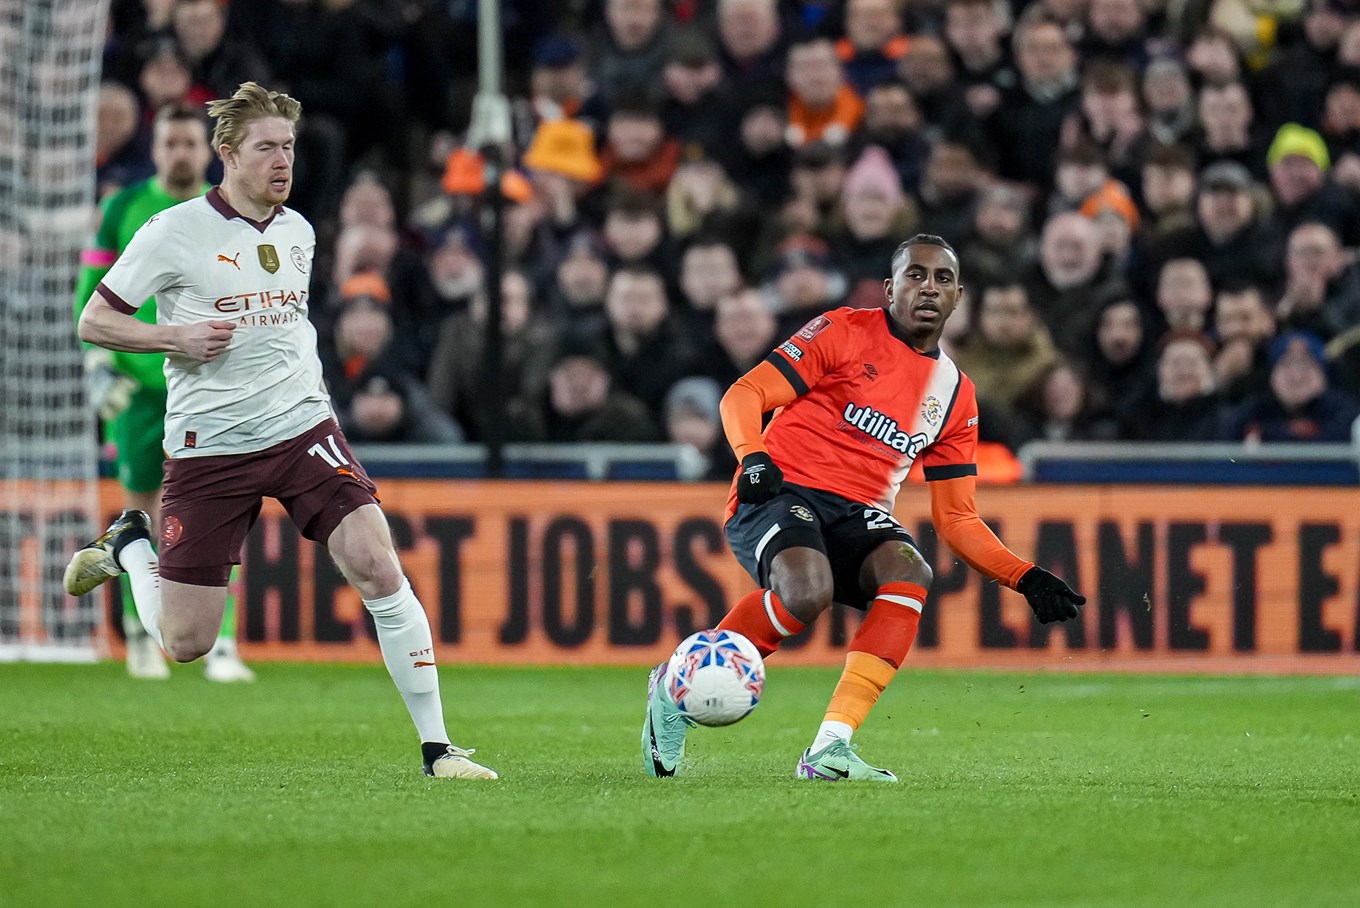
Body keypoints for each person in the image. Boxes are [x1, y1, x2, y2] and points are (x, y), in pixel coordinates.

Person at [64, 83, 495, 781]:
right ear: (227, 153)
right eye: (266, 146)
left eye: (289, 146)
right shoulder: (171, 231)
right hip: (211, 447)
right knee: (186, 642)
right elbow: (95, 321)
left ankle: (439, 748)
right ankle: (132, 546)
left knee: (378, 564)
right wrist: (175, 335)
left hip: (302, 430)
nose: (282, 160)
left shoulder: (299, 230)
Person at [641, 235, 1085, 782]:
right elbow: (743, 395)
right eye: (915, 275)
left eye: (942, 279)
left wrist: (1023, 576)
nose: (928, 288)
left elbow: (957, 519)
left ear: (958, 296)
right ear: (889, 288)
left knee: (910, 569)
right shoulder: (844, 330)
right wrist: (752, 457)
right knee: (807, 592)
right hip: (781, 488)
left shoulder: (955, 396)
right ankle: (672, 683)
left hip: (858, 512)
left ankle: (830, 747)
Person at [73, 101, 253, 684]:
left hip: (211, 386)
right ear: (154, 149)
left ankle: (222, 642)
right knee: (141, 510)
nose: (180, 154)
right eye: (169, 143)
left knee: (227, 510)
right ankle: (139, 638)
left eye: (188, 144)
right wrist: (99, 363)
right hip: (143, 386)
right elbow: (91, 294)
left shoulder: (230, 211)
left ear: (208, 150)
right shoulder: (124, 207)